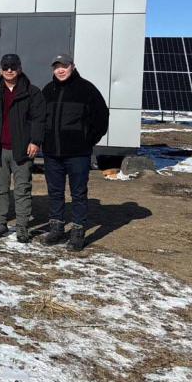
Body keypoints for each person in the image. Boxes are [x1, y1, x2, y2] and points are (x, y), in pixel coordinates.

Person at [41, 53, 109, 251]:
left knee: (78, 193)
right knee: (55, 192)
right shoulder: (48, 90)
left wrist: (89, 139)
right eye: (56, 67)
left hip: (78, 154)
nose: (60, 70)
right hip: (52, 153)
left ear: (72, 66)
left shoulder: (87, 89)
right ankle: (56, 229)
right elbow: (38, 118)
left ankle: (78, 232)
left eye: (64, 66)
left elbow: (102, 116)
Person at [0, 54, 45, 243]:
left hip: (22, 150)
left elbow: (39, 119)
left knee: (22, 190)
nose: (9, 70)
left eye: (13, 67)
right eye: (5, 66)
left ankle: (22, 227)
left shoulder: (32, 93)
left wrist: (35, 141)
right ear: (0, 69)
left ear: (19, 69)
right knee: (0, 190)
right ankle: (0, 223)